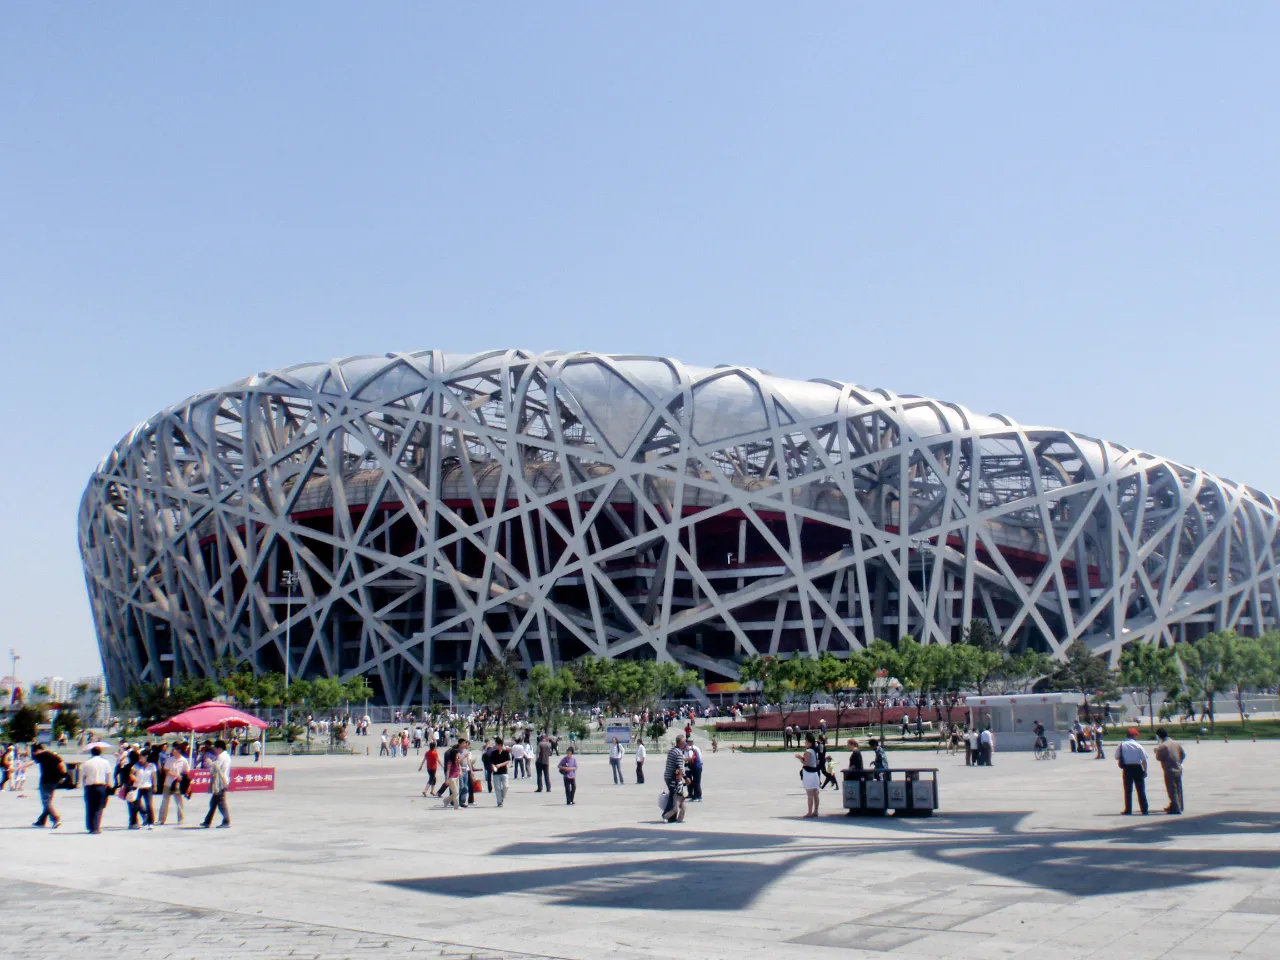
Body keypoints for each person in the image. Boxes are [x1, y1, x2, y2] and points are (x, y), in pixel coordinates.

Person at [1114, 727, 1150, 815]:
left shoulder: (1122, 745)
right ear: (1133, 735)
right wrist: (1145, 771)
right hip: (1138, 768)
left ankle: (1128, 809)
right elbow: (1144, 760)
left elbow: (1116, 757)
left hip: (1127, 769)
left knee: (1128, 790)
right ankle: (1144, 809)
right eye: (1136, 735)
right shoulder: (1138, 746)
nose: (1137, 737)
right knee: (1141, 790)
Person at [30, 744, 66, 829]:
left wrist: (17, 768)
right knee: (48, 801)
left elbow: (31, 762)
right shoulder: (54, 755)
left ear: (37, 751)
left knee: (46, 801)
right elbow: (61, 765)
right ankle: (41, 820)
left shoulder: (40, 755)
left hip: (45, 781)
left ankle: (55, 818)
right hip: (54, 781)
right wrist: (63, 776)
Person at [80, 745, 114, 834]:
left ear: (92, 753)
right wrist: (108, 786)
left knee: (90, 807)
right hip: (101, 786)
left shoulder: (86, 763)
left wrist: (84, 787)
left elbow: (84, 777)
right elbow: (108, 775)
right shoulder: (105, 762)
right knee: (99, 807)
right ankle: (96, 827)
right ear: (100, 752)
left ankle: (90, 826)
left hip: (90, 786)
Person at [201, 739, 232, 828]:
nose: (215, 750)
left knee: (221, 802)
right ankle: (207, 821)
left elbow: (216, 768)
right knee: (214, 802)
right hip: (223, 780)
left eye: (216, 748)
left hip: (220, 782)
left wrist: (210, 763)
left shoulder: (221, 757)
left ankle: (226, 820)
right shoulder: (226, 756)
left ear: (219, 748)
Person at [1153, 727, 1185, 815]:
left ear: (1159, 736)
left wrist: (1156, 751)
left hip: (1169, 769)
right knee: (1178, 788)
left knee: (1172, 790)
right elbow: (1183, 754)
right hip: (1178, 768)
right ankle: (1180, 805)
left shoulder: (1163, 746)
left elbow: (1158, 758)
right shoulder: (1175, 743)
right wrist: (1178, 762)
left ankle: (1176, 808)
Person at [158, 743, 190, 825]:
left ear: (178, 751)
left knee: (179, 802)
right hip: (168, 782)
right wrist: (174, 775)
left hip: (178, 784)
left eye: (174, 749)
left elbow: (186, 772)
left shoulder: (184, 760)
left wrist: (183, 780)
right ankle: (162, 819)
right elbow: (166, 770)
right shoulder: (170, 760)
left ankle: (181, 818)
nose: (173, 751)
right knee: (165, 802)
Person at [661, 734, 687, 823]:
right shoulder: (679, 752)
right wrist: (685, 778)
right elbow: (679, 767)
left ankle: (671, 817)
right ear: (681, 742)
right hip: (673, 778)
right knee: (673, 796)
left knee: (673, 796)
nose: (685, 744)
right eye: (684, 742)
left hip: (668, 776)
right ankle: (667, 815)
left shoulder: (672, 750)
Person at [797, 733, 822, 817]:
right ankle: (816, 810)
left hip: (808, 774)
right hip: (815, 773)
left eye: (806, 742)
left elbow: (806, 763)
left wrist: (800, 758)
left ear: (809, 743)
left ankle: (810, 811)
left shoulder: (808, 751)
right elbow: (817, 762)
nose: (805, 743)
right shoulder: (815, 750)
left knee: (810, 794)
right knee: (816, 793)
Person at [490, 737, 511, 807]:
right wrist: (493, 767)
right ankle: (499, 802)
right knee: (497, 788)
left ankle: (502, 797)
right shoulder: (494, 753)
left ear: (500, 745)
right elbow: (492, 762)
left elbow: (508, 761)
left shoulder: (505, 752)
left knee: (506, 786)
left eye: (497, 745)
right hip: (496, 773)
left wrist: (500, 765)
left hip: (504, 772)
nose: (496, 746)